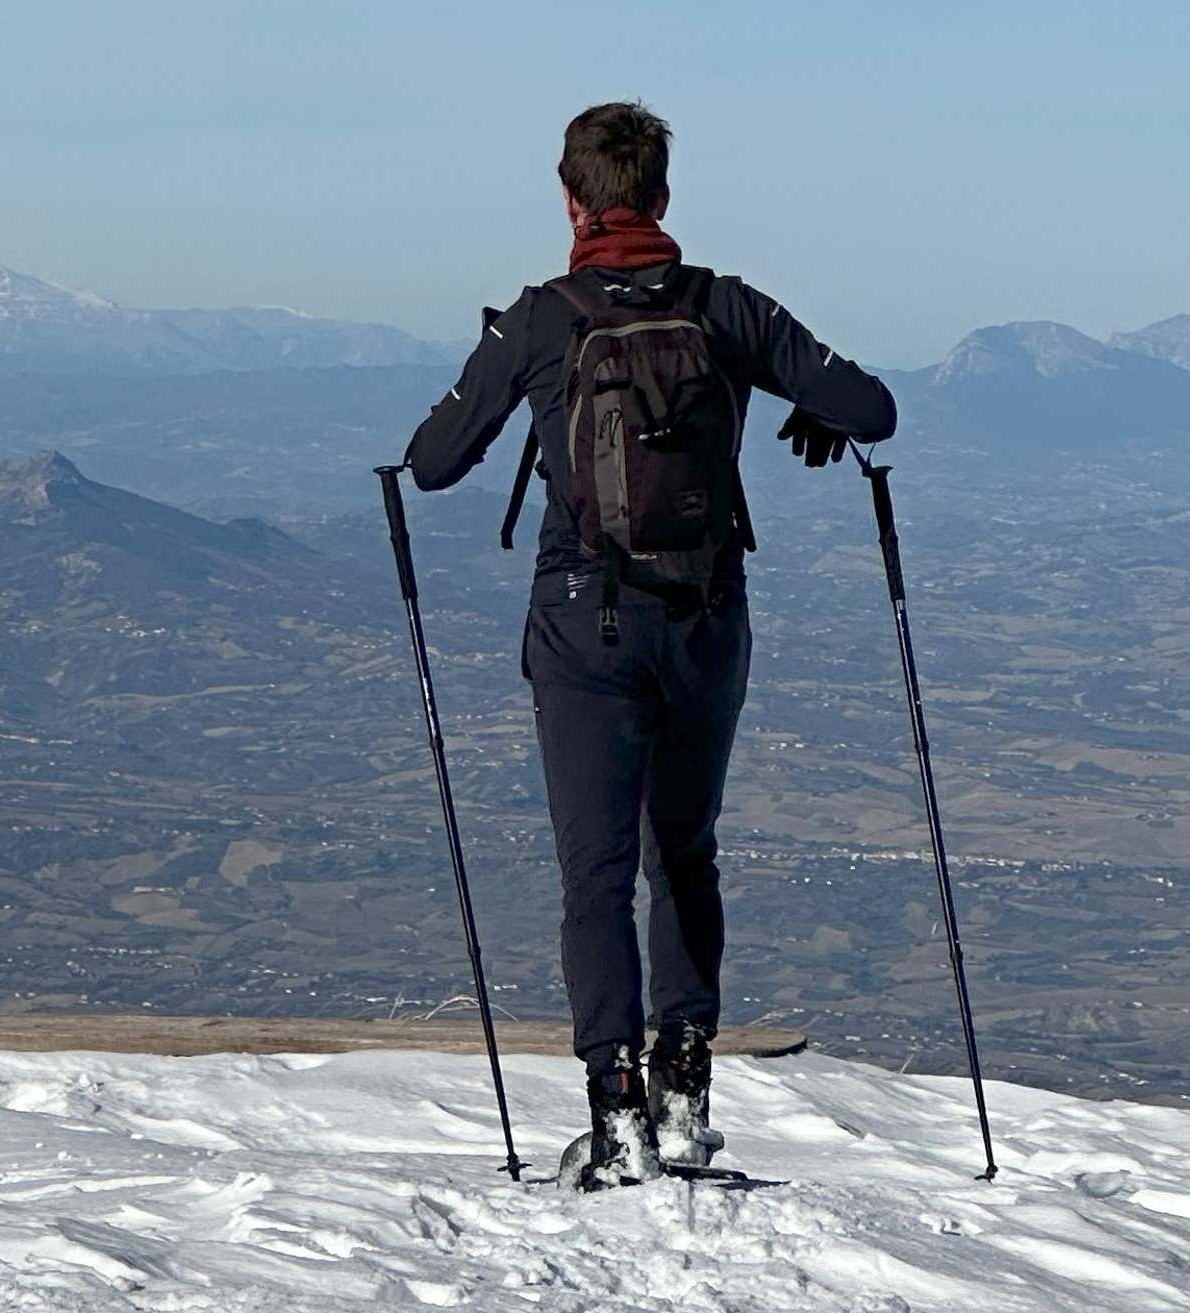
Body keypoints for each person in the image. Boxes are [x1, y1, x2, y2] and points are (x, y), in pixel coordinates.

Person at [399, 101, 897, 1189]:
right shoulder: (723, 309)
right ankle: (684, 1082)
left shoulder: (542, 319)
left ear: (570, 200)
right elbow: (871, 404)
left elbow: (433, 459)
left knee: (597, 869)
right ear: (663, 199)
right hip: (707, 618)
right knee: (687, 852)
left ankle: (613, 1104)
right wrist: (818, 414)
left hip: (585, 620)